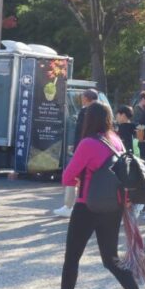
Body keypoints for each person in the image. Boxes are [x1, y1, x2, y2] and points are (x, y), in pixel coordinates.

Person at [39, 101, 145, 289]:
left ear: (87, 120)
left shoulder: (88, 143)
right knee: (111, 259)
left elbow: (68, 176)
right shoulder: (116, 141)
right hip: (113, 206)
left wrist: (80, 179)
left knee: (72, 259)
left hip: (87, 206)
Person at [55, 89, 99, 219]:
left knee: (73, 174)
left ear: (86, 98)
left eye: (82, 97)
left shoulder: (85, 111)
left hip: (83, 147)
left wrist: (76, 148)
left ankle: (69, 206)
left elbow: (80, 131)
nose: (81, 100)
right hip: (98, 149)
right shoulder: (104, 110)